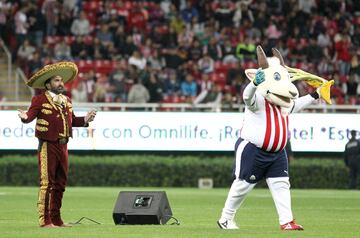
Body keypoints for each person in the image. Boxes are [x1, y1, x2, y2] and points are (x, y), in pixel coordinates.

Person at [217, 46, 330, 231]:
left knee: (281, 185)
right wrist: (254, 84)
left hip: (277, 152)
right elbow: (246, 98)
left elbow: (295, 105)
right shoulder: (258, 99)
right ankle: (225, 218)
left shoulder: (283, 101)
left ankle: (287, 221)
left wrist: (316, 94)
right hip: (253, 149)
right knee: (242, 185)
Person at [18, 62, 97, 228]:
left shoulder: (67, 100)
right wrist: (24, 117)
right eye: (56, 80)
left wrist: (85, 119)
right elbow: (30, 116)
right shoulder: (39, 99)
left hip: (63, 146)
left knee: (60, 184)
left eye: (61, 80)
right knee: (47, 183)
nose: (61, 83)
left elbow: (72, 120)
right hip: (48, 145)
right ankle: (44, 220)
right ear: (48, 84)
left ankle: (56, 220)